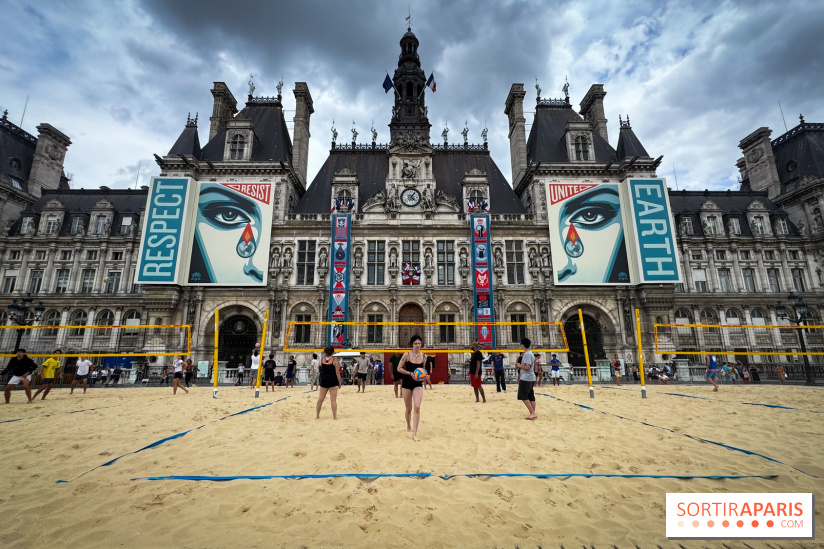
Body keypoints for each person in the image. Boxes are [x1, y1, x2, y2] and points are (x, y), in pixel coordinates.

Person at [397, 335, 429, 441]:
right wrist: (411, 373)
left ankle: (414, 434)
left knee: (417, 407)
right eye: (415, 343)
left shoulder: (424, 356)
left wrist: (424, 375)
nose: (417, 345)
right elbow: (399, 368)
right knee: (408, 409)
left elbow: (424, 370)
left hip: (417, 383)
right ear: (412, 344)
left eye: (419, 343)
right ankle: (408, 425)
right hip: (407, 382)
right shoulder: (406, 355)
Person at [316, 346, 342, 419]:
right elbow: (337, 372)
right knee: (333, 400)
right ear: (333, 352)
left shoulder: (322, 359)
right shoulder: (335, 360)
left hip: (324, 380)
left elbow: (321, 369)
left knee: (320, 399)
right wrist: (339, 382)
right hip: (332, 380)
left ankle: (317, 416)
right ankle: (334, 417)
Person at [517, 338, 537, 420]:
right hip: (530, 377)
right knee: (530, 395)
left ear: (522, 345)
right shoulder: (529, 353)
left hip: (526, 378)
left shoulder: (528, 354)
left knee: (522, 395)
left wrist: (519, 365)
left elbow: (527, 367)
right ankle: (533, 412)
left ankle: (532, 413)